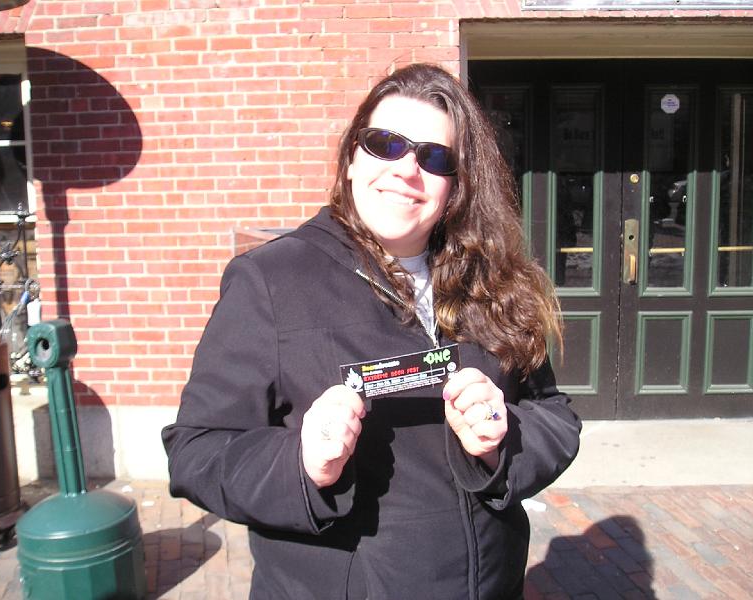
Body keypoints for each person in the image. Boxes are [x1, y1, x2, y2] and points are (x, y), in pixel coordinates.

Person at [162, 63, 581, 600]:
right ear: (353, 159)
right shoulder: (270, 281)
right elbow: (196, 451)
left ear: (457, 185)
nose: (407, 170)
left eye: (435, 158)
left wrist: (501, 445)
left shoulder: (491, 282)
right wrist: (302, 463)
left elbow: (554, 414)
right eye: (385, 144)